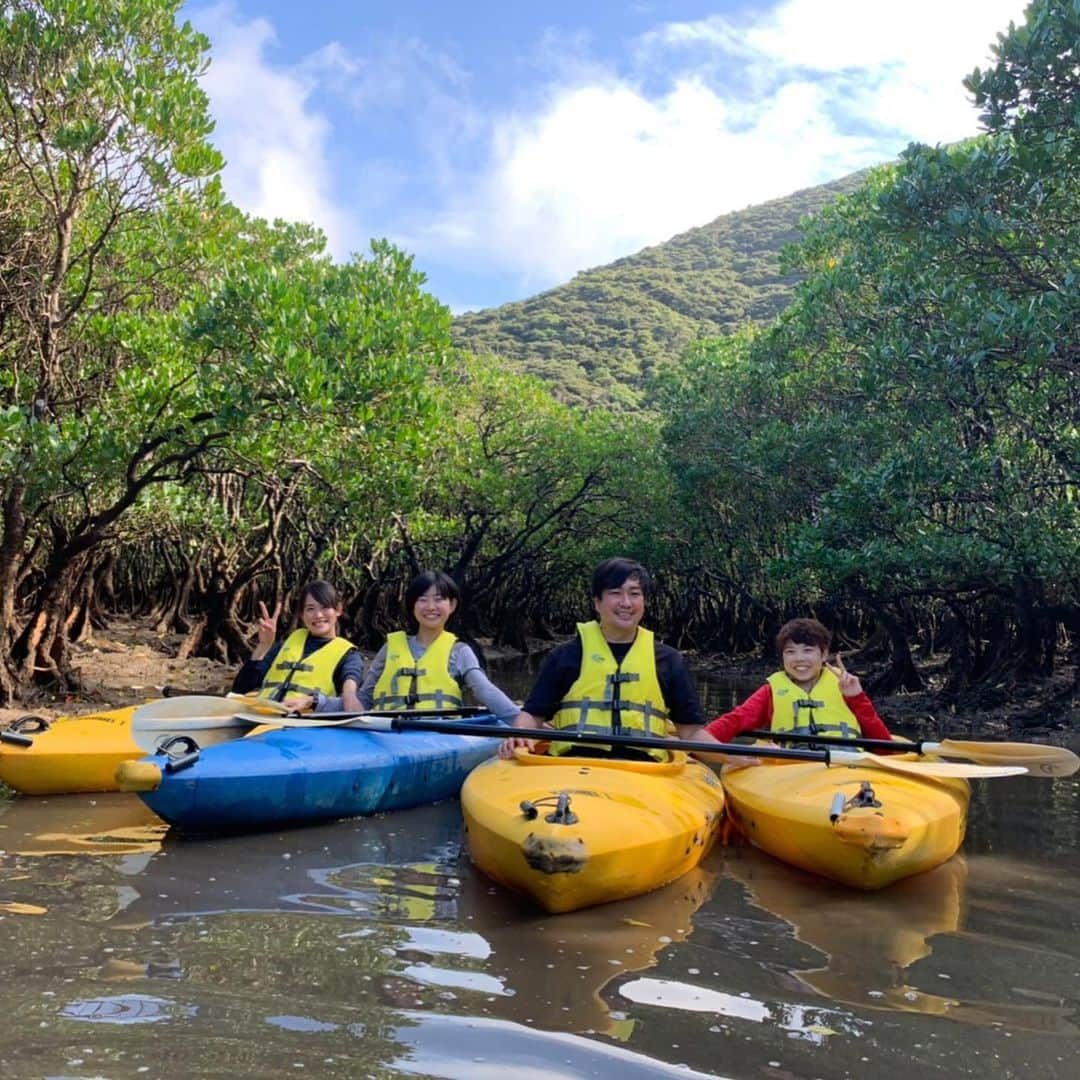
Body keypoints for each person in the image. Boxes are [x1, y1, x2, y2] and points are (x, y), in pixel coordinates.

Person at [500, 557, 746, 763]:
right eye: (615, 593)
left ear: (644, 601)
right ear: (597, 602)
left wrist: (736, 757)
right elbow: (533, 715)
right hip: (574, 766)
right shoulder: (565, 656)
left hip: (645, 772)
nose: (626, 603)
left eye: (634, 594)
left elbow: (691, 732)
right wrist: (520, 735)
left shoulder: (669, 660)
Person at [354, 570, 518, 721]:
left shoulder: (459, 651)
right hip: (389, 734)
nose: (431, 607)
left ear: (452, 605)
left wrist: (520, 721)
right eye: (423, 600)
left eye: (438, 599)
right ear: (413, 606)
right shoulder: (390, 648)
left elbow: (484, 690)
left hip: (440, 736)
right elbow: (365, 697)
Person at [701, 617, 892, 743]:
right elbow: (735, 721)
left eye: (808, 650)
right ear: (783, 657)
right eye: (790, 652)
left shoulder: (846, 688)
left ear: (824, 654)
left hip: (844, 765)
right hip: (790, 769)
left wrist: (858, 698)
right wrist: (700, 740)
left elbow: (884, 745)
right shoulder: (771, 692)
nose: (799, 658)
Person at [232, 580, 363, 712]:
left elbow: (350, 691)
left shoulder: (349, 656)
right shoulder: (285, 645)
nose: (318, 615)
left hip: (303, 725)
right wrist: (263, 646)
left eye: (325, 607)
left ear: (338, 610)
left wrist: (345, 695)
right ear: (302, 614)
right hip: (263, 715)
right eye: (310, 609)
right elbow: (241, 688)